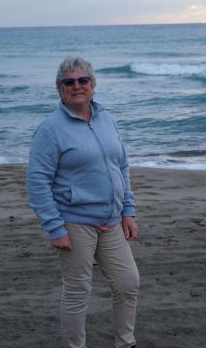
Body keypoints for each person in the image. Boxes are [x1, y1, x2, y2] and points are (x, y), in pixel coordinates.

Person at [27, 56, 139, 348]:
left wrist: (128, 211)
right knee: (78, 292)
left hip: (112, 220)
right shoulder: (50, 130)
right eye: (69, 82)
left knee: (128, 283)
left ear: (93, 85)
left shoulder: (108, 119)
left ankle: (125, 344)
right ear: (60, 89)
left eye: (83, 80)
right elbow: (37, 183)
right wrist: (55, 228)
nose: (77, 86)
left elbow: (121, 166)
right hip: (74, 222)